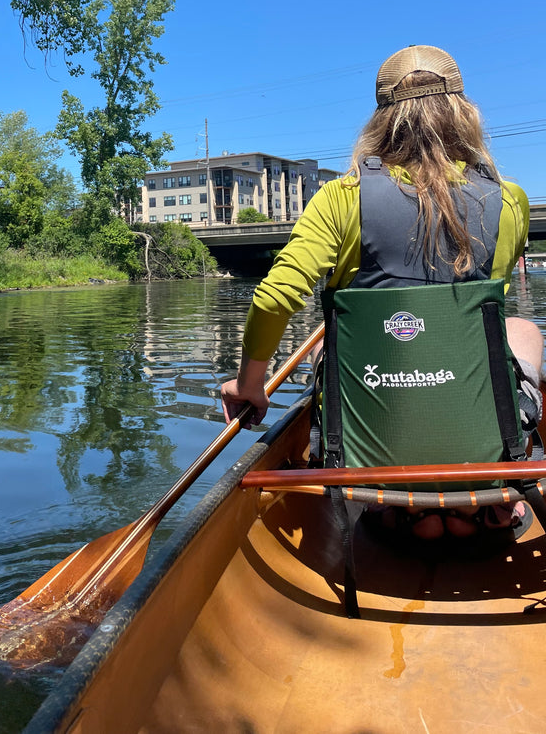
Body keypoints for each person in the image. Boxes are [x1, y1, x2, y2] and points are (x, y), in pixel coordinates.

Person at [221, 44, 544, 539]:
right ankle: (493, 476)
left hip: (376, 460)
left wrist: (248, 385)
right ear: (463, 113)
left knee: (331, 342)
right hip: (477, 447)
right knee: (519, 329)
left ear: (381, 119)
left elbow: (272, 299)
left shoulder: (339, 198)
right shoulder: (510, 201)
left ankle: (392, 500)